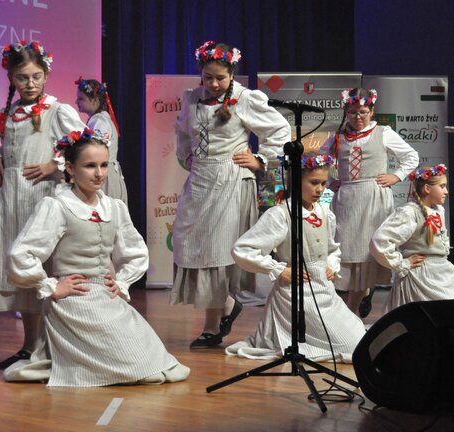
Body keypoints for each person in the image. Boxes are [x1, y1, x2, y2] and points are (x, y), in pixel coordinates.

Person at [3, 129, 189, 387]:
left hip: (105, 295)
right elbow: (20, 254)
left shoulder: (113, 207)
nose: (99, 173)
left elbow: (135, 252)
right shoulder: (57, 206)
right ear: (70, 168)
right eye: (90, 166)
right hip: (73, 300)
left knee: (160, 365)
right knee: (141, 370)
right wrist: (51, 286)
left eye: (104, 165)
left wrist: (121, 282)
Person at [0, 41, 86, 369]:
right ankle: (30, 346)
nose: (30, 83)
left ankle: (56, 347)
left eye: (36, 76)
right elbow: (14, 148)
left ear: (46, 75)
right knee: (23, 275)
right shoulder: (10, 113)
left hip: (40, 200)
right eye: (22, 77)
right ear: (12, 79)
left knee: (44, 271)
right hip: (11, 203)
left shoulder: (56, 110)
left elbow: (86, 142)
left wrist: (55, 163)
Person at [171, 40, 291, 348]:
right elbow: (182, 131)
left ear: (232, 74)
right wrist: (187, 156)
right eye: (207, 77)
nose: (213, 84)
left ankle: (211, 326)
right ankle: (226, 306)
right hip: (200, 179)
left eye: (220, 78)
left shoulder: (245, 99)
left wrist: (261, 159)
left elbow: (279, 129)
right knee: (190, 245)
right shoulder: (192, 98)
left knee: (216, 251)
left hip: (230, 179)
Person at [227, 154, 366, 361]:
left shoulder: (324, 213)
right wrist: (279, 270)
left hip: (324, 289)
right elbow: (243, 249)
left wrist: (330, 264)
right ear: (296, 181)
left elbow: (331, 249)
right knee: (349, 346)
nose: (319, 189)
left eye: (323, 183)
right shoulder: (281, 215)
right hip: (295, 294)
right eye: (314, 183)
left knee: (359, 338)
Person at [319, 87, 418, 317]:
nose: (358, 117)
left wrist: (396, 176)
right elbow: (320, 161)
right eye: (353, 112)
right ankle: (356, 300)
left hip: (374, 198)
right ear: (346, 112)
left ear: (371, 111)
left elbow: (411, 156)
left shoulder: (383, 132)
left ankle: (354, 307)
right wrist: (330, 181)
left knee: (367, 252)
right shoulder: (338, 137)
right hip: (347, 198)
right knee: (345, 249)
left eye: (363, 112)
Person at [370, 165, 454, 313]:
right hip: (421, 276)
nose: (446, 191)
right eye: (442, 186)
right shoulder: (409, 212)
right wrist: (402, 263)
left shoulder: (438, 210)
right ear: (427, 188)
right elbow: (380, 241)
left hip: (441, 271)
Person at [74, 77, 128, 203]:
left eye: (81, 98)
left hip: (104, 175)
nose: (76, 101)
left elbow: (97, 151)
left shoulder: (100, 121)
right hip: (103, 172)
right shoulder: (97, 120)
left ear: (94, 100)